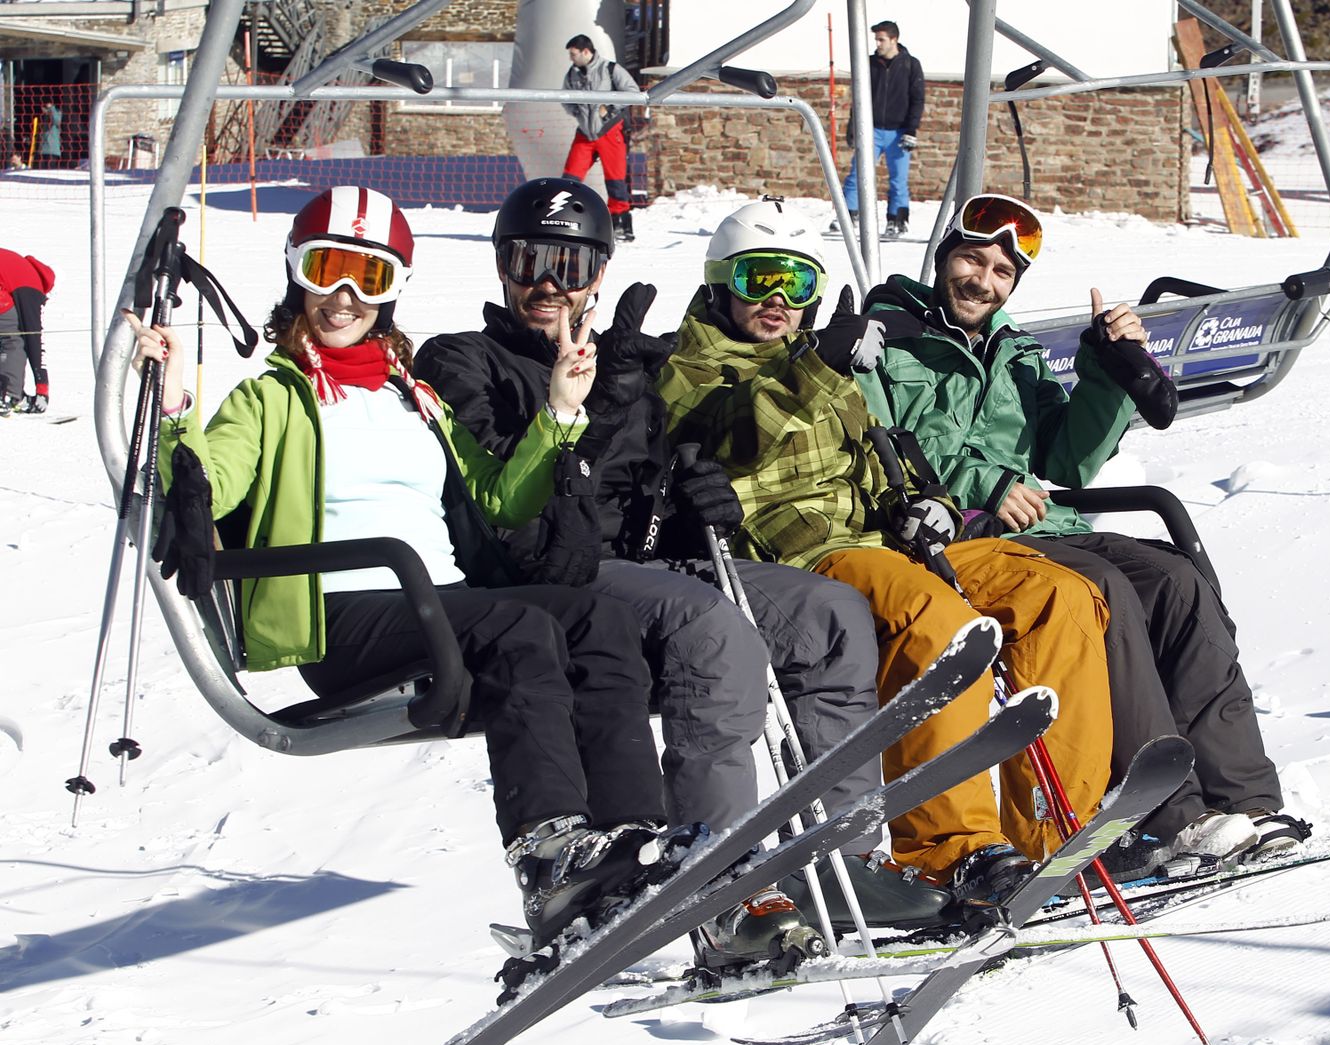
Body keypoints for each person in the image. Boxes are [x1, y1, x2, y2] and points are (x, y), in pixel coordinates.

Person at [125, 186, 682, 954]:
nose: (345, 297)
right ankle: (549, 853)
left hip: (433, 605)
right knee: (517, 626)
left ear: (391, 291)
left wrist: (559, 410)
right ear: (298, 276)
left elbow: (499, 496)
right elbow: (201, 484)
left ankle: (629, 842)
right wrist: (176, 402)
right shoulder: (271, 399)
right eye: (328, 271)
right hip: (339, 613)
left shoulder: (412, 395)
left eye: (370, 277)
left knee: (597, 617)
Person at [414, 177, 944, 972]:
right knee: (710, 627)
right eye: (530, 260)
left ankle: (844, 861)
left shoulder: (621, 359)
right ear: (501, 267)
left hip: (646, 561)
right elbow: (520, 517)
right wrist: (603, 404)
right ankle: (720, 884)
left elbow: (642, 489)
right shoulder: (464, 360)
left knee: (832, 615)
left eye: (571, 262)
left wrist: (696, 491)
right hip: (552, 577)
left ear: (598, 273)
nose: (549, 284)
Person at [656, 197, 1117, 904]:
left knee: (1057, 596)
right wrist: (815, 368)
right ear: (721, 282)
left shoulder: (813, 359)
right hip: (804, 554)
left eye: (797, 283)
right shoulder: (690, 365)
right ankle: (953, 848)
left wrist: (914, 497)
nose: (779, 300)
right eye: (758, 280)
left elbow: (875, 450)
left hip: (885, 536)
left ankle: (1054, 836)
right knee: (936, 619)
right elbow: (731, 431)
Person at [856, 192, 1311, 875]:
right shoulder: (888, 336)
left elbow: (1068, 460)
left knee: (1174, 581)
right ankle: (1168, 815)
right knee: (1100, 590)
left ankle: (1244, 797)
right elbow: (877, 445)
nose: (982, 280)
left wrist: (1107, 367)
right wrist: (983, 485)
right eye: (970, 260)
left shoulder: (1014, 352)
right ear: (944, 257)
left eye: (1001, 273)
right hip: (948, 534)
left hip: (1042, 528)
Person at [834, 21, 924, 240]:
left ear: (894, 39)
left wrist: (911, 129)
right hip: (871, 129)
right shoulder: (869, 64)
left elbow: (917, 99)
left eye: (882, 39)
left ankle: (897, 220)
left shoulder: (910, 65)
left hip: (899, 131)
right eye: (876, 39)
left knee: (898, 179)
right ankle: (848, 215)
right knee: (858, 174)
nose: (878, 43)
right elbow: (859, 97)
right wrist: (853, 127)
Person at [561, 34, 639, 244]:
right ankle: (563, 217)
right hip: (585, 133)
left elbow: (633, 91)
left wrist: (611, 109)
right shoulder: (572, 74)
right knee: (570, 178)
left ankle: (620, 222)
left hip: (609, 130)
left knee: (615, 179)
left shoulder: (610, 70)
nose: (571, 58)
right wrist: (577, 112)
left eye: (573, 54)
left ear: (586, 52)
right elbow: (564, 97)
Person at [0, 247, 54, 414]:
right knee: (13, 340)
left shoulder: (16, 264)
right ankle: (9, 396)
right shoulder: (32, 286)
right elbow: (34, 338)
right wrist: (42, 388)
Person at [38, 97, 63, 168]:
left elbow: (56, 121)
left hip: (52, 151)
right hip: (42, 150)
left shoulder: (57, 113)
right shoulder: (43, 118)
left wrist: (51, 109)